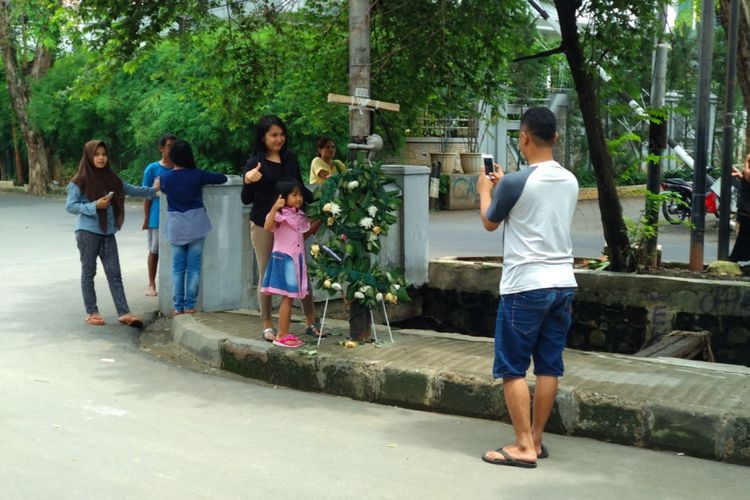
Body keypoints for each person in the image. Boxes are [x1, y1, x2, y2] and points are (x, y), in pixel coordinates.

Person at [476, 107, 578, 469]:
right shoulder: (570, 179)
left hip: (525, 286)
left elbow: (490, 222)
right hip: (563, 283)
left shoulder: (515, 183)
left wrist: (485, 190)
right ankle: (536, 438)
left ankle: (521, 446)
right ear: (555, 137)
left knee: (513, 368)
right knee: (549, 365)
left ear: (523, 137)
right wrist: (504, 184)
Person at [241, 115, 322, 341]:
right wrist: (248, 179)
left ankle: (310, 321)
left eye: (281, 134)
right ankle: (267, 324)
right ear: (263, 137)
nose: (279, 139)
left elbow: (299, 190)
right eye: (273, 135)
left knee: (301, 269)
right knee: (266, 274)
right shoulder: (255, 162)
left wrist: (323, 203)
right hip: (265, 225)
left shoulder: (290, 159)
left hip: (292, 225)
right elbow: (245, 198)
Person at [66, 140, 159, 328]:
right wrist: (94, 206)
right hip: (87, 232)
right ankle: (92, 311)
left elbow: (131, 189)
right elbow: (71, 206)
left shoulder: (111, 178)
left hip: (108, 232)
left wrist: (154, 190)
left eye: (104, 154)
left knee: (114, 273)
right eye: (97, 154)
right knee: (89, 272)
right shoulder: (80, 180)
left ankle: (124, 313)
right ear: (89, 156)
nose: (101, 157)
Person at [159, 140, 228, 315]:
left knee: (178, 268)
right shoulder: (197, 175)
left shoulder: (165, 178)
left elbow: (161, 189)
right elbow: (222, 178)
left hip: (176, 226)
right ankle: (190, 306)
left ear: (172, 157)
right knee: (194, 267)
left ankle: (177, 307)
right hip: (197, 224)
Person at [261, 178, 321, 347]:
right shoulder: (279, 216)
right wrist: (274, 207)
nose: (299, 198)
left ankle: (284, 333)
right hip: (285, 260)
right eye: (294, 195)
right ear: (282, 197)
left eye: (300, 195)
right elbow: (267, 226)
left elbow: (306, 231)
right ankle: (282, 335)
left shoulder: (299, 215)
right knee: (287, 298)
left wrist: (323, 218)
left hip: (297, 260)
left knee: (290, 298)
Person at [141, 133, 177, 297]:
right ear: (161, 148)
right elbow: (146, 195)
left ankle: (171, 284)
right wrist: (147, 218)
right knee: (154, 250)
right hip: (157, 215)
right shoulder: (152, 169)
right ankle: (151, 283)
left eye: (174, 146)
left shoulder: (180, 167)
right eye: (169, 146)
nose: (172, 149)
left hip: (176, 215)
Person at [729, 153, 750, 263]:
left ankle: (733, 259)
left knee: (743, 237)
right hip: (745, 210)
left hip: (746, 210)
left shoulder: (748, 172)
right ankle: (734, 259)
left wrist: (746, 160)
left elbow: (747, 175)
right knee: (743, 236)